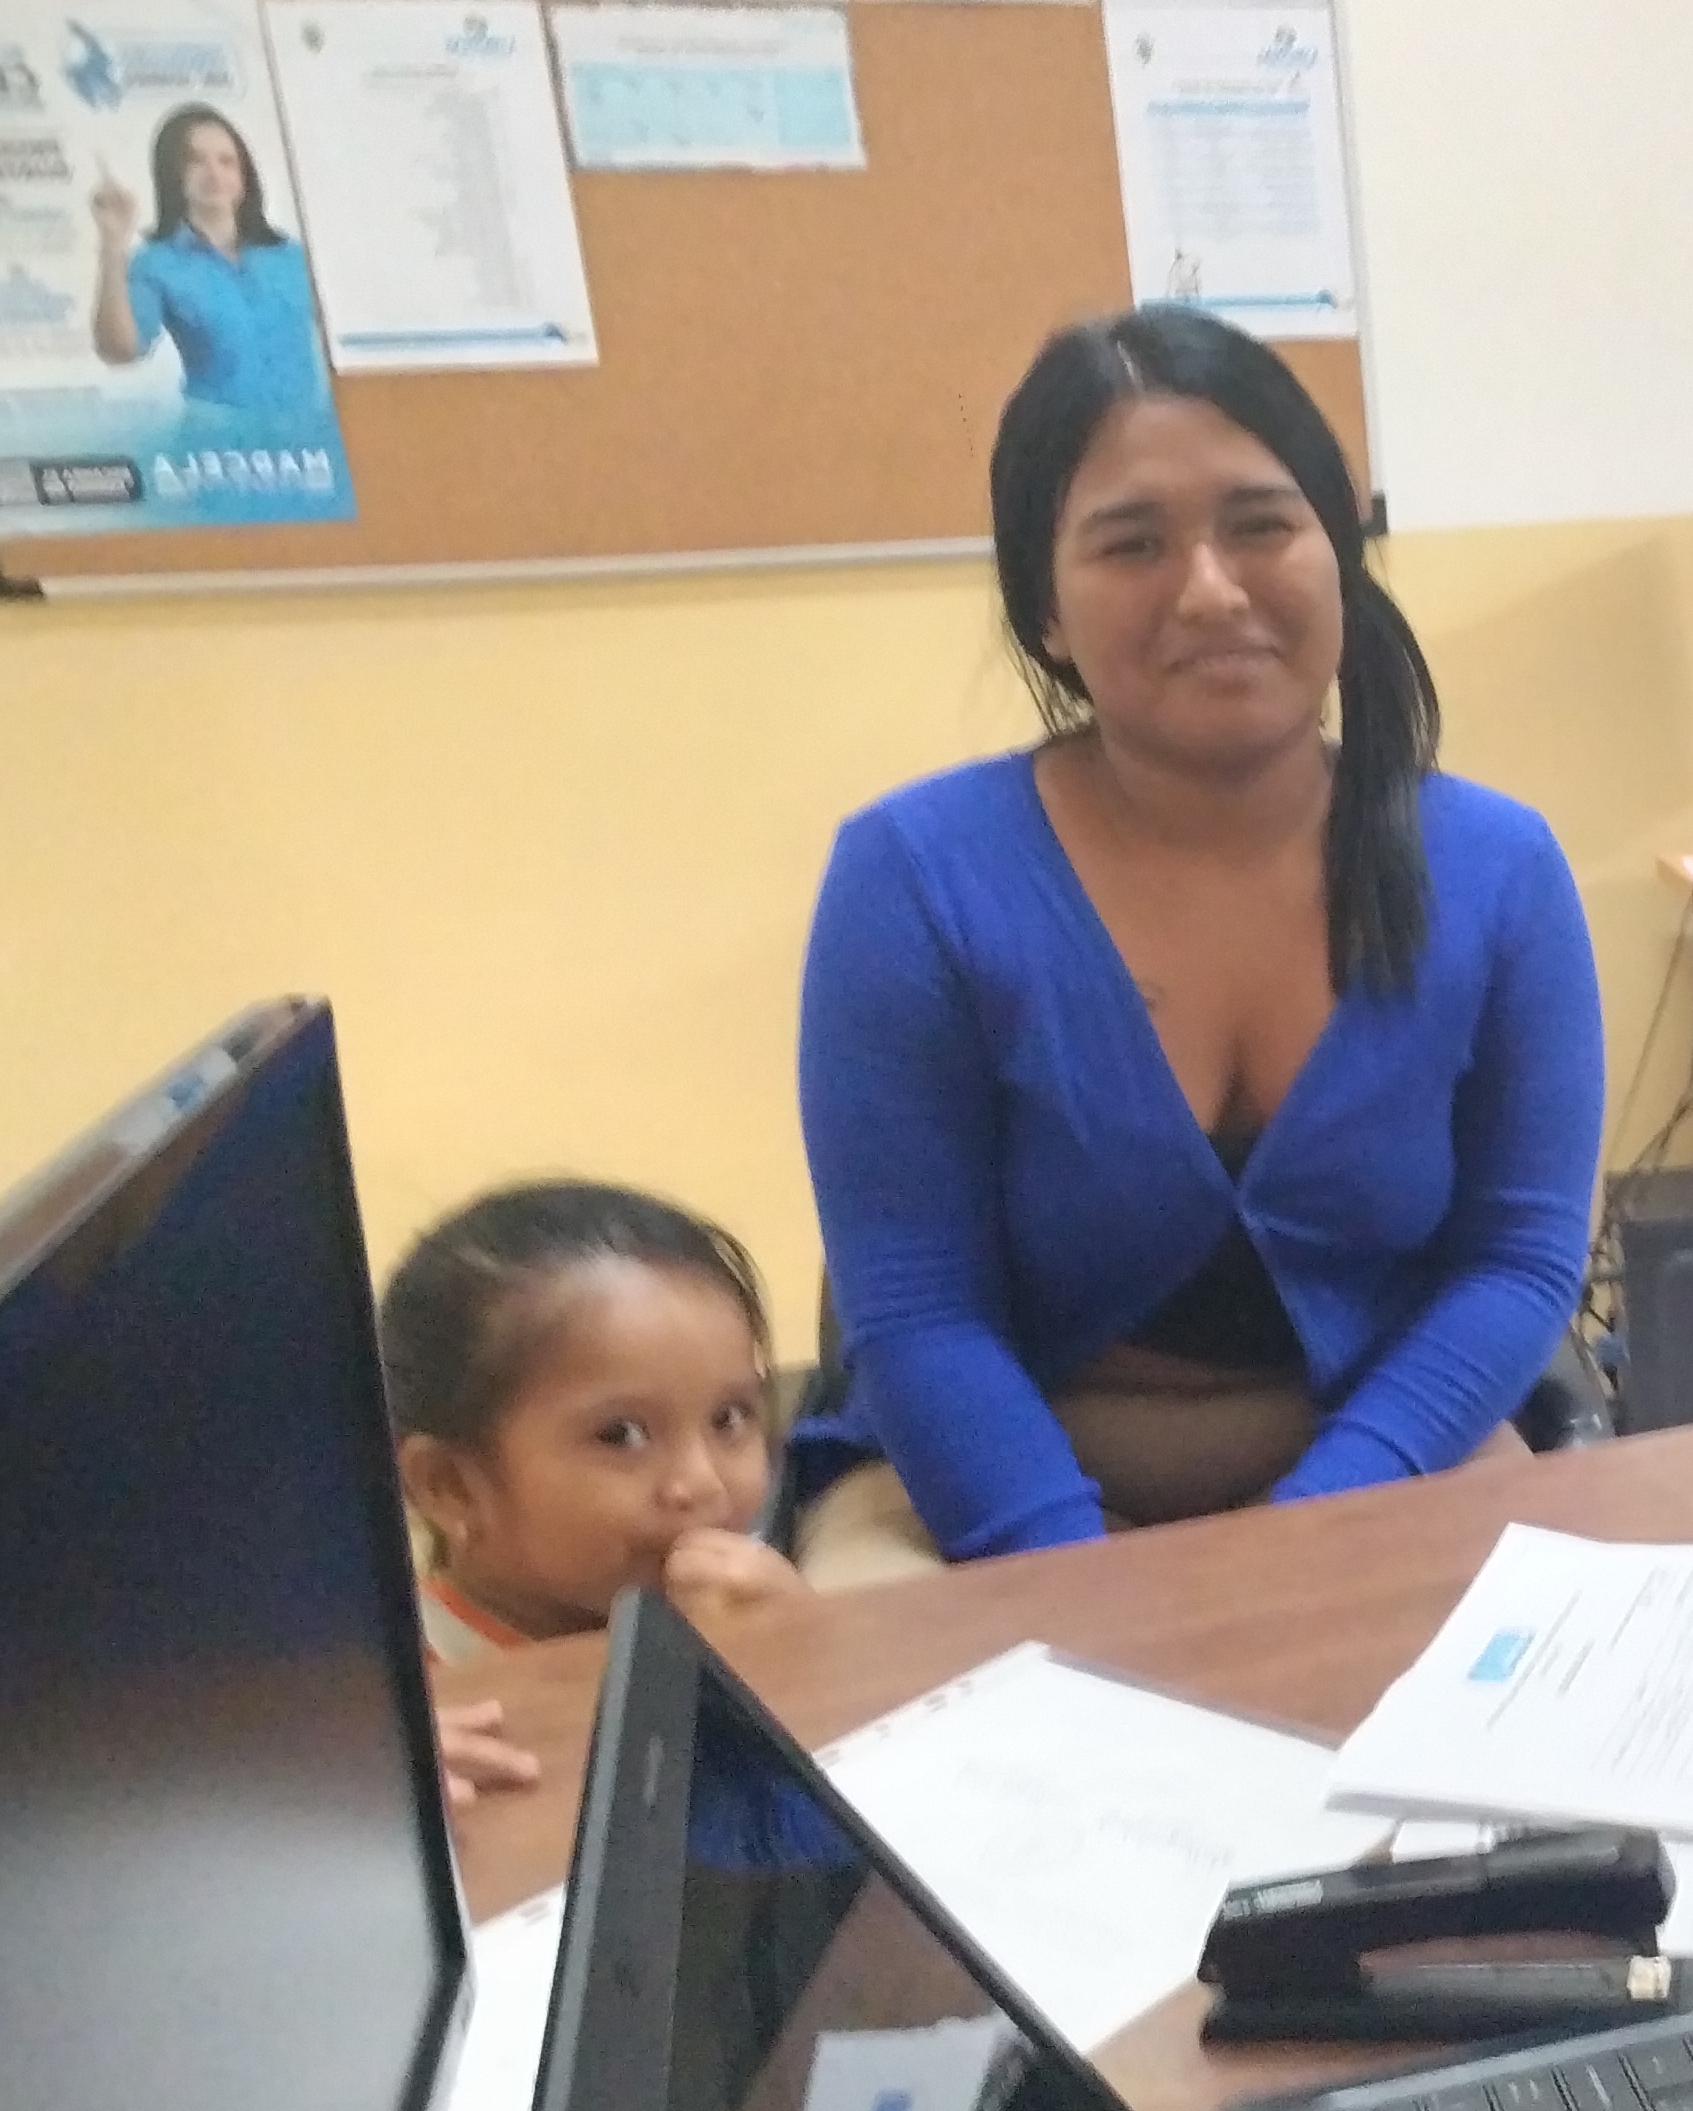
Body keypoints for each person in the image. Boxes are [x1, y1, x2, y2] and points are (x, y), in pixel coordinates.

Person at [788, 306, 1601, 1577]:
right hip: (982, 1476)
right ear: (1045, 610)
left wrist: (1320, 1516)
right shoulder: (912, 877)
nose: (1211, 589)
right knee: (903, 1683)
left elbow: (1518, 1260)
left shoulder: (1501, 869)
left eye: (1261, 525)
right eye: (1132, 544)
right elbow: (916, 1310)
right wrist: (1081, 1571)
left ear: (1340, 554)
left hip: (1384, 1442)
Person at [379, 1179, 821, 1805]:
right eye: (622, 1435)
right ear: (449, 1486)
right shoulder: (381, 1719)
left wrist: (804, 1655)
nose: (702, 1482)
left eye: (730, 1419)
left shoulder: (734, 1620)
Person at [88, 101, 332, 418]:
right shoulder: (157, 263)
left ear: (244, 174)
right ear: (172, 173)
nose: (214, 173)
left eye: (227, 161)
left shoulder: (291, 256)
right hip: (216, 437)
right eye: (195, 161)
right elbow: (120, 350)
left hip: (305, 435)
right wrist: (112, 244)